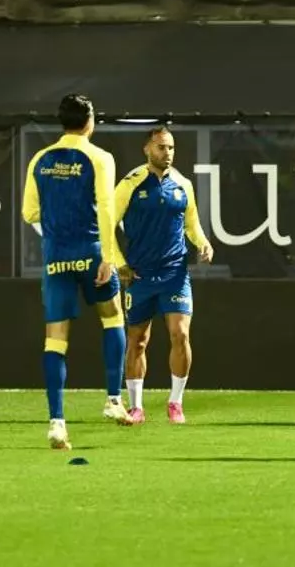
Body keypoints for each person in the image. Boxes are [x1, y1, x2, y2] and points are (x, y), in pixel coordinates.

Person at [21, 94, 133, 451]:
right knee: (113, 319)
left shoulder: (40, 159)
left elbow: (29, 213)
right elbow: (105, 208)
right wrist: (109, 257)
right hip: (93, 254)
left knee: (55, 339)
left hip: (56, 259)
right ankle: (114, 400)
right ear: (90, 121)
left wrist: (59, 221)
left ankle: (56, 423)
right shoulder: (100, 157)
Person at [114, 126, 213, 425]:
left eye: (170, 147)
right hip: (140, 274)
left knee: (180, 334)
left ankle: (175, 403)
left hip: (175, 272)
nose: (166, 153)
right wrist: (118, 262)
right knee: (138, 341)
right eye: (160, 147)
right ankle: (136, 406)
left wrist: (204, 243)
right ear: (147, 149)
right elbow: (107, 225)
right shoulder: (130, 184)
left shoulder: (183, 184)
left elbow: (192, 224)